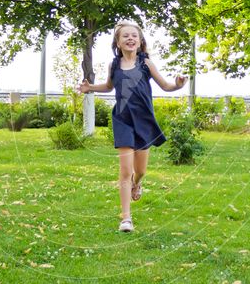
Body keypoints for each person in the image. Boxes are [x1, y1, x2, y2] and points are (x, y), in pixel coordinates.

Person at [79, 21, 187, 232]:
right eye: (125, 36)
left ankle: (137, 183)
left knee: (140, 170)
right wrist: (89, 88)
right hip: (123, 120)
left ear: (140, 41)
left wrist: (178, 85)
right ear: (118, 42)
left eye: (134, 36)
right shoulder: (114, 65)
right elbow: (109, 86)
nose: (130, 39)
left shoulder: (145, 63)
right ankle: (126, 218)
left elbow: (165, 86)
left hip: (144, 120)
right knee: (125, 170)